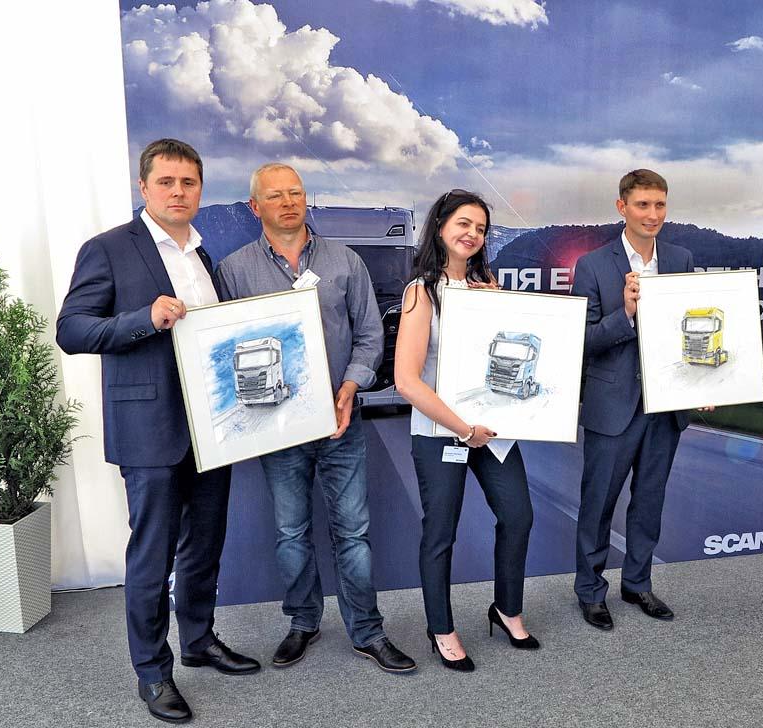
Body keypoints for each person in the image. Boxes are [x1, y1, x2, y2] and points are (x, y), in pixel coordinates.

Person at [56, 139, 260, 724]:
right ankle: (152, 671)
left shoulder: (203, 253)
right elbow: (72, 330)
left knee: (205, 542)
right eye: (166, 182)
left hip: (212, 426)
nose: (178, 192)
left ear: (200, 190)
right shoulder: (108, 248)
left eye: (188, 183)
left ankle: (198, 640)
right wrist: (142, 320)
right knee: (153, 553)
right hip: (149, 428)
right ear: (143, 187)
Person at [216, 163, 415, 674]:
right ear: (254, 206)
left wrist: (350, 388)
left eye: (296, 193)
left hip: (340, 421)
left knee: (354, 533)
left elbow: (369, 335)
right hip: (276, 428)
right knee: (290, 534)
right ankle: (303, 622)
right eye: (275, 195)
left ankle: (367, 631)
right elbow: (223, 349)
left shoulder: (345, 261)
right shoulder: (234, 271)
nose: (288, 202)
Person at [394, 189, 537, 672]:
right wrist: (462, 428)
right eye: (463, 223)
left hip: (490, 431)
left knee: (518, 516)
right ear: (440, 227)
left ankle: (507, 608)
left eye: (480, 228)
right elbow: (406, 380)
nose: (472, 234)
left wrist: (502, 310)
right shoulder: (421, 293)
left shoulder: (486, 289)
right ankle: (441, 628)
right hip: (442, 432)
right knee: (440, 533)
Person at [571, 168, 700, 631]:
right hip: (613, 406)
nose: (653, 214)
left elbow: (690, 330)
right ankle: (590, 591)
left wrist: (702, 384)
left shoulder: (681, 258)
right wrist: (625, 314)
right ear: (622, 207)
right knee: (598, 503)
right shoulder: (592, 265)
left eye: (660, 204)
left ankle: (638, 583)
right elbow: (582, 340)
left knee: (649, 500)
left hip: (665, 407)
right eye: (643, 204)